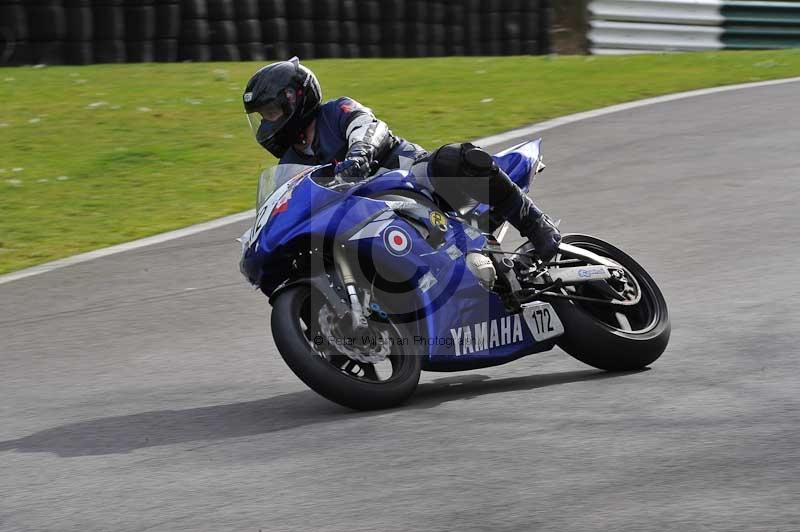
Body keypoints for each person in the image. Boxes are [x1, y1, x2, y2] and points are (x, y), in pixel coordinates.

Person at [243, 57, 561, 261]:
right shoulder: (292, 159)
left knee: (454, 158)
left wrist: (359, 155)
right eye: (261, 117)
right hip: (365, 214)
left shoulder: (336, 111)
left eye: (270, 113)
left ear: (294, 100)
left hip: (412, 181)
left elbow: (367, 128)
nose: (267, 124)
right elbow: (289, 200)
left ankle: (537, 225)